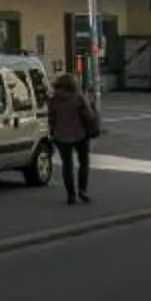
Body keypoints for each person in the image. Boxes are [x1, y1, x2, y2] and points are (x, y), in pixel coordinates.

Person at [47, 73, 102, 206]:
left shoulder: (54, 99)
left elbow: (51, 119)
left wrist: (53, 132)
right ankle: (82, 190)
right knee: (83, 163)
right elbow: (89, 116)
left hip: (61, 136)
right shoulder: (78, 98)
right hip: (80, 135)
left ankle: (70, 195)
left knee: (67, 165)